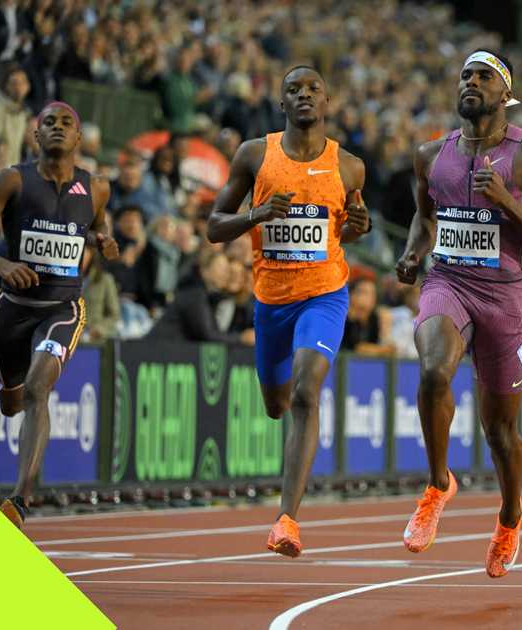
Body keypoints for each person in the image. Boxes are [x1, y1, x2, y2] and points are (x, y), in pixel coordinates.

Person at [394, 50, 522, 578]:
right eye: (465, 75)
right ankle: (437, 483)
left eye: (483, 76)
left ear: (504, 93)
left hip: (504, 298)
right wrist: (412, 252)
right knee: (432, 372)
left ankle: (510, 515)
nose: (470, 82)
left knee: (500, 433)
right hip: (448, 282)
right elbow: (425, 220)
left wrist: (509, 204)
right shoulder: (430, 154)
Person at [207, 65, 371, 558]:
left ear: (327, 103)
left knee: (305, 391)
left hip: (324, 295)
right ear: (281, 104)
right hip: (270, 302)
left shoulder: (350, 167)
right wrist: (256, 215)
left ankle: (287, 520)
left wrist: (360, 226)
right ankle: (287, 508)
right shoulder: (255, 154)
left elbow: (350, 229)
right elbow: (215, 227)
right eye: (293, 90)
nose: (303, 95)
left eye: (312, 89)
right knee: (277, 403)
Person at [0, 101, 118, 529]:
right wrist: (0, 265)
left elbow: (95, 223)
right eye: (47, 122)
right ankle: (9, 395)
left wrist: (103, 240)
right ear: (36, 135)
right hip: (13, 309)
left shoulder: (97, 187)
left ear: (78, 137)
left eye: (66, 122)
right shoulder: (11, 180)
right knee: (12, 402)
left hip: (63, 307)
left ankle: (19, 500)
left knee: (38, 387)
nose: (56, 127)